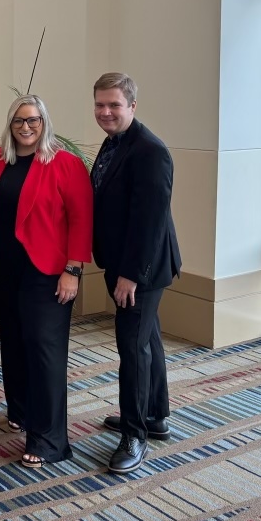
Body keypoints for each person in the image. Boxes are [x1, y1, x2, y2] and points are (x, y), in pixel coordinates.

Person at [0, 95, 92, 469]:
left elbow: (81, 220)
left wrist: (73, 270)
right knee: (13, 344)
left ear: (45, 123)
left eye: (33, 121)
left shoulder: (66, 164)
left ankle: (50, 440)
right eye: (18, 121)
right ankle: (22, 411)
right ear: (9, 125)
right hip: (5, 271)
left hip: (48, 273)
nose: (26, 127)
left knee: (45, 353)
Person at [91, 72, 181, 474]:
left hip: (139, 270)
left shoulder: (150, 151)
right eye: (100, 105)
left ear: (132, 106)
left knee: (133, 349)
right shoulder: (114, 144)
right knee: (148, 342)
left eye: (114, 105)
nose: (106, 112)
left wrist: (130, 274)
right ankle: (155, 416)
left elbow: (151, 222)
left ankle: (134, 435)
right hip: (121, 262)